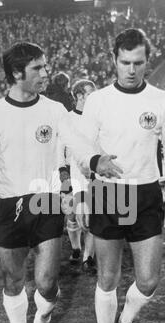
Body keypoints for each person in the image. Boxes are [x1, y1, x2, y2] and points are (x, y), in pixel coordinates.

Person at [0, 42, 120, 323]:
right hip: (8, 208)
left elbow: (76, 143)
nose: (45, 73)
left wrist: (95, 159)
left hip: (45, 202)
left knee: (48, 283)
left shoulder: (54, 110)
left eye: (45, 67)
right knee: (12, 281)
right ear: (17, 73)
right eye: (38, 68)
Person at [77, 29, 165, 323]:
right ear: (114, 60)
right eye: (125, 62)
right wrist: (86, 183)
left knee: (149, 280)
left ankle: (125, 322)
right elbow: (80, 148)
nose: (131, 69)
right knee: (107, 278)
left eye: (138, 62)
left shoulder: (162, 100)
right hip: (108, 194)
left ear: (146, 61)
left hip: (147, 194)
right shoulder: (97, 101)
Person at [61, 79, 97, 272]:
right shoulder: (67, 118)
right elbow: (60, 148)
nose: (94, 97)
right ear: (79, 96)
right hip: (72, 175)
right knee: (73, 215)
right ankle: (76, 248)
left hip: (92, 176)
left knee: (91, 218)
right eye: (91, 93)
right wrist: (62, 171)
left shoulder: (97, 118)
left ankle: (88, 257)